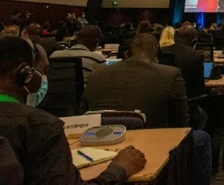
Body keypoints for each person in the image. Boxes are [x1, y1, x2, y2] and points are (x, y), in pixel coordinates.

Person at [0, 36, 147, 185]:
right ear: (24, 74)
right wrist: (119, 169)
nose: (45, 78)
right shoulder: (40, 127)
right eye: (44, 70)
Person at [83, 34, 212, 185]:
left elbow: (84, 117)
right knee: (202, 138)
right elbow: (182, 126)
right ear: (157, 53)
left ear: (126, 53)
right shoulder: (170, 74)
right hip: (154, 147)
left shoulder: (96, 75)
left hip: (99, 150)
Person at [161, 24, 207, 128]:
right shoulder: (195, 56)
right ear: (194, 41)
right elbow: (200, 90)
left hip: (162, 105)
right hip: (186, 105)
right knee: (204, 115)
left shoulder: (162, 51)